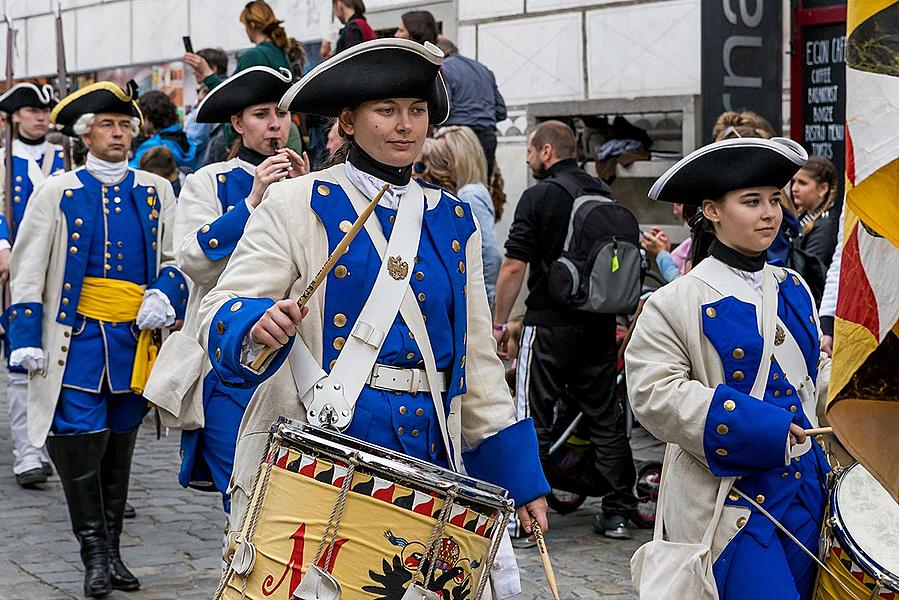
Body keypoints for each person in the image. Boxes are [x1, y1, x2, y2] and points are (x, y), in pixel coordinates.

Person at [198, 38, 550, 591]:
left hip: (428, 443)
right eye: (386, 111)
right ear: (349, 119)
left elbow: (477, 360)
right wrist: (254, 321)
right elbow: (223, 302)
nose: (405, 125)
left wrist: (517, 478)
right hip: (323, 441)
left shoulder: (454, 219)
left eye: (416, 111)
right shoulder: (295, 202)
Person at [626, 136, 831, 600]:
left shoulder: (793, 286)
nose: (769, 214)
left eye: (775, 200)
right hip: (732, 505)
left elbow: (809, 376)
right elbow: (655, 394)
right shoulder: (675, 300)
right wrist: (755, 426)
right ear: (712, 211)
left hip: (805, 494)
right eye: (751, 202)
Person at [7, 80, 187, 596]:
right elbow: (27, 269)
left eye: (125, 125)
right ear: (86, 134)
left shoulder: (155, 190)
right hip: (77, 341)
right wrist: (26, 334)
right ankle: (93, 553)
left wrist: (164, 295)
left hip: (133, 341)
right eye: (107, 125)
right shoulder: (57, 192)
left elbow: (176, 259)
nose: (118, 134)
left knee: (120, 450)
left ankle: (114, 549)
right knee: (81, 449)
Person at [144, 66, 308, 512]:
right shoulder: (209, 181)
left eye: (282, 113)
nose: (275, 124)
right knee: (244, 498)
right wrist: (252, 201)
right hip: (227, 359)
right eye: (261, 114)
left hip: (297, 362)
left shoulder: (312, 183)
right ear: (238, 124)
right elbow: (192, 260)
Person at [492, 120, 638, 540]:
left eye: (530, 152)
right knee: (605, 417)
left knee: (529, 416)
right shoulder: (604, 193)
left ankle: (527, 512)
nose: (528, 159)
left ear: (546, 152)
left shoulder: (539, 197)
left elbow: (514, 265)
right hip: (599, 325)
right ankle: (618, 511)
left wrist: (501, 323)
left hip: (550, 325)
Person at [0, 82, 66, 488]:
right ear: (16, 116)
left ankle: (61, 443)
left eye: (44, 111)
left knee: (60, 355)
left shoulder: (66, 156)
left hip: (61, 268)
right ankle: (26, 451)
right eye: (30, 110)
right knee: (21, 357)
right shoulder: (3, 159)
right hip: (19, 268)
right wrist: (3, 245)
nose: (40, 117)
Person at [183, 1, 304, 156]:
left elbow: (231, 97)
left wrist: (207, 74)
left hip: (258, 143)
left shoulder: (255, 55)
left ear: (252, 25)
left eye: (245, 25)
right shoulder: (281, 53)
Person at [418, 126, 502, 307]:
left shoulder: (468, 195)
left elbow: (489, 252)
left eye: (444, 153)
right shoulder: (473, 190)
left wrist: (484, 297)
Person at [435, 37, 507, 178]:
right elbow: (501, 112)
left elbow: (444, 108)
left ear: (441, 53)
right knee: (483, 187)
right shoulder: (484, 69)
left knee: (455, 190)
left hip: (458, 137)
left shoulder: (444, 68)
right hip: (487, 136)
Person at [789, 156, 839, 305]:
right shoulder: (804, 216)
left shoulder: (826, 225)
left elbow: (810, 270)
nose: (794, 188)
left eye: (802, 183)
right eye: (794, 182)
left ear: (823, 189)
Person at [130, 90, 196, 171]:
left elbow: (131, 172)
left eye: (141, 116)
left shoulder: (152, 146)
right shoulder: (187, 141)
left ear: (148, 116)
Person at [184, 47, 228, 166]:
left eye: (197, 68)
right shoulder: (225, 88)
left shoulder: (218, 91)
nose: (194, 72)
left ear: (212, 68)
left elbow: (197, 135)